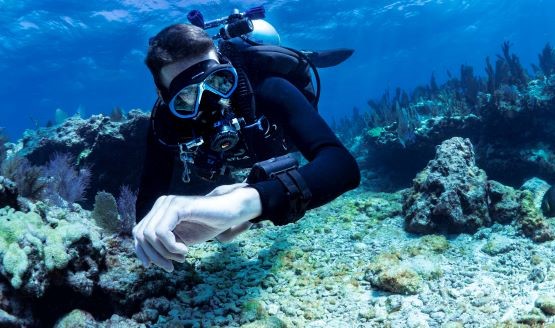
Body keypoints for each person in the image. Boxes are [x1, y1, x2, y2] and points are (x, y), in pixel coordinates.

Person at [132, 23, 360, 272]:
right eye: (187, 97)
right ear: (163, 95)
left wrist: (241, 204)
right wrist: (180, 234)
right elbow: (149, 202)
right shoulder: (165, 125)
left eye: (220, 80)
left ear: (224, 62)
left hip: (281, 135)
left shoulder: (268, 87)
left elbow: (341, 165)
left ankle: (307, 56)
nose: (213, 102)